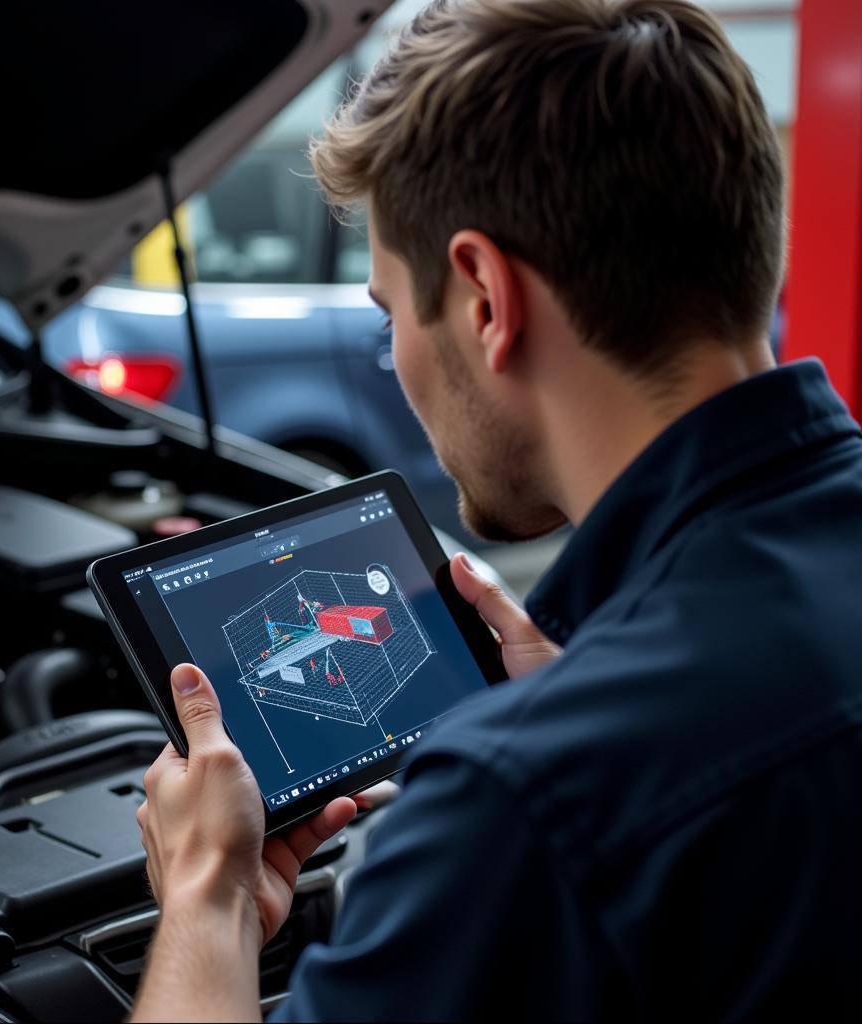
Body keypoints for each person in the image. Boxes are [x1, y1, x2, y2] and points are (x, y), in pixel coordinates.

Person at [132, 0, 862, 1019]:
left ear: (482, 296)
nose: (399, 364)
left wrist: (207, 894)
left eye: (394, 316)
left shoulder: (520, 804)